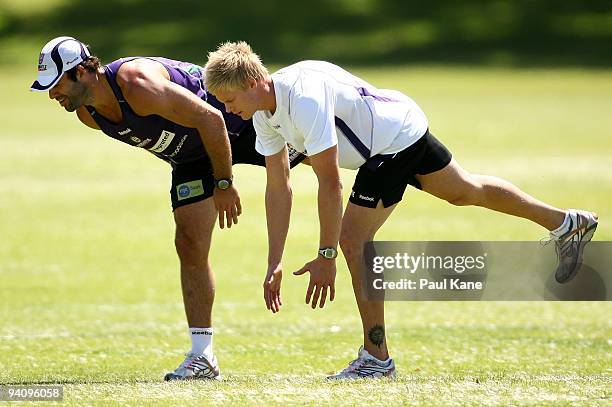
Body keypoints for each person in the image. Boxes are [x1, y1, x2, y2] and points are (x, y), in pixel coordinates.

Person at [203, 41, 599, 380]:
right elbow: (279, 186)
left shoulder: (302, 99)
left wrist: (326, 255)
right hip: (403, 120)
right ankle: (566, 223)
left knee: (352, 240)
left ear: (254, 82)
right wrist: (274, 262)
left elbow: (330, 182)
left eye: (229, 99)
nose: (227, 108)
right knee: (465, 191)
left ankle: (376, 360)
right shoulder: (262, 116)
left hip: (391, 143)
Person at [30, 36, 304, 381]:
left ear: (83, 72)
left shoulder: (137, 84)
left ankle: (382, 154)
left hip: (232, 124)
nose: (53, 94)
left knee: (323, 159)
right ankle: (202, 358)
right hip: (189, 157)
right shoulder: (88, 114)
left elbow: (211, 120)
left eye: (56, 85)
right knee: (188, 244)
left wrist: (223, 183)